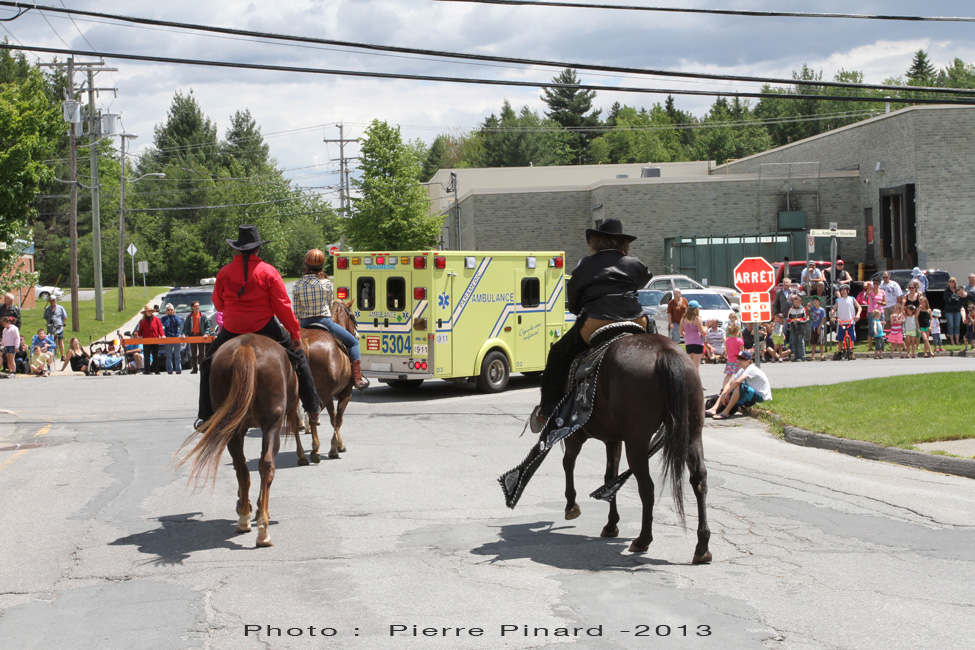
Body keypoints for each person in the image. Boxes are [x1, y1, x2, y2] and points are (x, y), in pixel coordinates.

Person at [530, 218, 650, 432]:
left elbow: (574, 294)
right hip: (635, 320)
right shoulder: (633, 263)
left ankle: (547, 410)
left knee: (558, 354)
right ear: (623, 243)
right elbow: (644, 278)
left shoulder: (586, 264)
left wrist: (577, 309)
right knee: (659, 346)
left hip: (597, 322)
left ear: (596, 242)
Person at [196, 225, 322, 427]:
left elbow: (218, 303)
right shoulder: (269, 272)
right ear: (258, 249)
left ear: (238, 249)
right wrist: (295, 334)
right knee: (299, 359)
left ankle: (205, 416)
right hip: (264, 326)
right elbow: (282, 306)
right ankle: (313, 407)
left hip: (232, 328)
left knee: (207, 364)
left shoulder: (224, 272)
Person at [291, 248, 369, 389]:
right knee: (354, 343)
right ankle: (357, 378)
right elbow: (329, 305)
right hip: (324, 321)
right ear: (321, 266)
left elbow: (296, 311)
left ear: (306, 265)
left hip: (304, 323)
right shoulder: (326, 284)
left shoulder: (297, 285)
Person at [705, 350, 771, 420]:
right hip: (751, 396)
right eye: (738, 359)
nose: (739, 361)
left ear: (748, 361)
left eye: (742, 359)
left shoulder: (751, 369)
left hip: (761, 397)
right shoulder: (742, 370)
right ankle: (713, 409)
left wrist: (727, 393)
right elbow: (730, 383)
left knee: (739, 386)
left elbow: (738, 382)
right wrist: (725, 392)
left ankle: (725, 412)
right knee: (726, 389)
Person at [180, 300, 211, 374]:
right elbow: (185, 327)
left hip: (201, 335)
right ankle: (194, 369)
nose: (197, 307)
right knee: (193, 354)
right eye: (195, 306)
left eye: (198, 306)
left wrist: (206, 333)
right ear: (192, 307)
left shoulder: (203, 316)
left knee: (202, 354)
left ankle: (202, 369)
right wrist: (184, 334)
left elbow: (208, 326)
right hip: (192, 335)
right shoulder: (189, 317)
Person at [832, 284, 862, 359]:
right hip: (841, 321)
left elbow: (859, 307)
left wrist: (858, 315)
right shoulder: (838, 300)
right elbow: (833, 309)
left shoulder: (852, 299)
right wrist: (832, 316)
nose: (843, 292)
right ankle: (839, 352)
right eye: (842, 290)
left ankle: (851, 352)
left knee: (851, 337)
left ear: (848, 291)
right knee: (840, 338)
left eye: (845, 290)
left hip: (850, 321)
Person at [133, 304, 164, 374]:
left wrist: (162, 335)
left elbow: (160, 328)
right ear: (145, 313)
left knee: (155, 355)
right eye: (148, 311)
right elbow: (140, 330)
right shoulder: (142, 321)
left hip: (155, 340)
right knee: (146, 355)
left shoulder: (156, 319)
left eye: (150, 311)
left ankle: (156, 370)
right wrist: (139, 336)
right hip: (146, 341)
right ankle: (147, 370)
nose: (149, 312)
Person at [680, 300, 707, 368]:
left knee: (691, 364)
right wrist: (707, 327)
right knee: (696, 365)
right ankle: (696, 378)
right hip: (697, 343)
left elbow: (680, 331)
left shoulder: (683, 319)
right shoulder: (697, 319)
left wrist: (686, 336)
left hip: (688, 343)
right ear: (696, 309)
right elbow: (702, 332)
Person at [159, 303, 183, 375]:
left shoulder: (176, 317)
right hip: (168, 337)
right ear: (166, 311)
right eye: (168, 310)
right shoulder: (163, 318)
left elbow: (179, 323)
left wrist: (174, 315)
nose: (170, 311)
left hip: (176, 337)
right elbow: (166, 325)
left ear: (173, 310)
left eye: (171, 309)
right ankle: (169, 370)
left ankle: (178, 370)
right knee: (169, 355)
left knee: (177, 355)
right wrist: (167, 317)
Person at [942, 277, 965, 347]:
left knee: (957, 325)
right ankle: (952, 341)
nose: (951, 283)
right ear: (948, 283)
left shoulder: (957, 290)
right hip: (949, 311)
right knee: (951, 325)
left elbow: (960, 299)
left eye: (953, 282)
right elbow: (947, 300)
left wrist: (954, 299)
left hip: (957, 310)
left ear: (955, 283)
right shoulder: (947, 290)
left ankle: (957, 341)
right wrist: (954, 299)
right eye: (950, 282)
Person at [43, 296, 67, 360]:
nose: (53, 302)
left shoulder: (60, 308)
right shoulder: (47, 309)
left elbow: (65, 317)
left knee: (60, 341)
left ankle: (62, 355)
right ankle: (51, 355)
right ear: (50, 301)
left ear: (56, 301)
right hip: (50, 328)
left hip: (59, 328)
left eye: (54, 300)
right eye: (51, 301)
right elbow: (46, 318)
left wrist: (61, 323)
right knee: (50, 341)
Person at [786, 294, 808, 361]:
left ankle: (802, 356)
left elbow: (807, 318)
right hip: (793, 327)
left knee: (800, 341)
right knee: (794, 342)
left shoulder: (803, 309)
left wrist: (800, 320)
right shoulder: (791, 309)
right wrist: (792, 320)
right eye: (795, 302)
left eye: (798, 302)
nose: (796, 303)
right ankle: (796, 356)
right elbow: (788, 319)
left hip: (801, 326)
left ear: (800, 302)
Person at [723, 323, 744, 389]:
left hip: (730, 360)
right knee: (740, 375)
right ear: (738, 331)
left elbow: (726, 350)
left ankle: (724, 388)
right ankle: (739, 388)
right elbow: (741, 352)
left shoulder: (727, 340)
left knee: (728, 375)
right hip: (738, 361)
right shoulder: (739, 340)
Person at [808, 296, 827, 361]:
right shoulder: (813, 308)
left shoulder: (822, 310)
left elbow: (823, 319)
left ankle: (822, 355)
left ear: (819, 302)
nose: (815, 302)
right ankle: (813, 356)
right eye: (814, 301)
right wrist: (808, 305)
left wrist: (819, 327)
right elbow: (808, 309)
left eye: (816, 301)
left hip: (820, 327)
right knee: (813, 342)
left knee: (821, 342)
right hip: (813, 326)